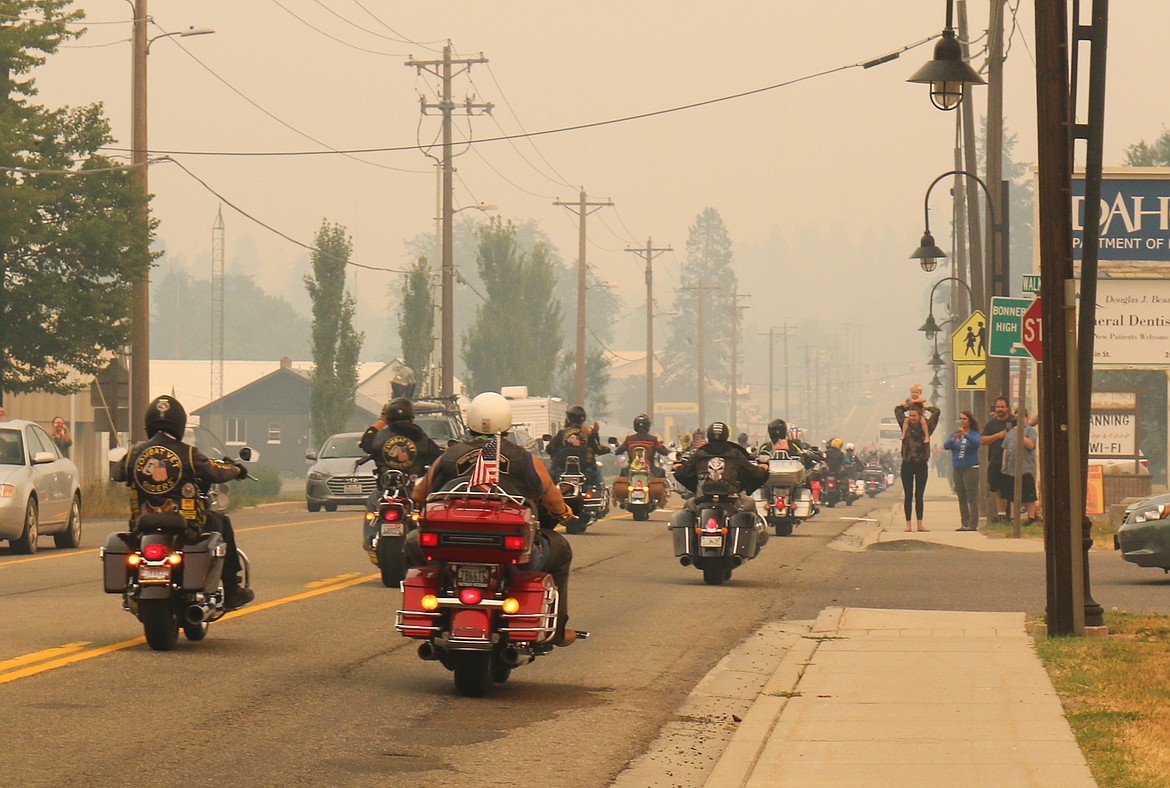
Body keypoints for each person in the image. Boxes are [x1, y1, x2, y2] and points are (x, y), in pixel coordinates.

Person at [409, 392, 579, 646]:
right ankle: (559, 629)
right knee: (562, 549)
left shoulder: (449, 456)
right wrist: (562, 512)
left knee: (413, 542)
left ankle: (435, 608)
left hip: (449, 552)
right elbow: (553, 500)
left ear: (470, 421)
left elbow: (419, 494)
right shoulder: (525, 459)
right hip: (511, 555)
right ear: (507, 423)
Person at [111, 395, 254, 610]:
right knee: (221, 521)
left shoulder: (135, 453)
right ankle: (232, 589)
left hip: (143, 524)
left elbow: (118, 473)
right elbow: (214, 472)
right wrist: (237, 469)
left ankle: (132, 588)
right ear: (179, 423)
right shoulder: (188, 453)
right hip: (185, 524)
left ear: (148, 423)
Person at [672, 421, 769, 513]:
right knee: (750, 502)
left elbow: (682, 473)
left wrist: (677, 468)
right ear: (726, 436)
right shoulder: (735, 454)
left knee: (687, 507)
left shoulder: (699, 454)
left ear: (709, 436)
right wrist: (763, 469)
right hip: (731, 498)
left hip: (702, 498)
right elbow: (754, 473)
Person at [359, 397, 442, 486]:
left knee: (374, 499)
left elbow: (366, 442)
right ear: (411, 416)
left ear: (388, 417)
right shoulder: (419, 435)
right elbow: (437, 458)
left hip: (388, 487)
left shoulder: (379, 436)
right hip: (415, 488)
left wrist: (382, 419)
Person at [894, 399, 940, 532]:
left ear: (920, 415)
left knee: (919, 495)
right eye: (911, 415)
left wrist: (925, 407)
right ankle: (908, 524)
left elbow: (937, 412)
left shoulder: (927, 426)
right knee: (908, 494)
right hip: (907, 464)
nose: (912, 418)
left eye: (915, 416)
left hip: (921, 464)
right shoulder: (905, 424)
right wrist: (908, 405)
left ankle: (920, 523)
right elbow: (897, 410)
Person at [546, 404, 609, 486]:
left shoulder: (561, 433)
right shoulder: (588, 433)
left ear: (568, 418)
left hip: (561, 471)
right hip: (586, 471)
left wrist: (555, 455)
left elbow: (549, 448)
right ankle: (599, 494)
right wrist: (597, 436)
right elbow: (598, 449)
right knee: (598, 480)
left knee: (547, 478)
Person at [944, 411, 982, 531]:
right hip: (958, 468)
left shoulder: (974, 434)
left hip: (970, 468)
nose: (962, 421)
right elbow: (946, 446)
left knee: (972, 496)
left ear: (969, 421)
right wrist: (954, 437)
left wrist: (965, 435)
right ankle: (964, 522)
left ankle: (973, 523)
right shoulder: (954, 434)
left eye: (964, 419)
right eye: (960, 419)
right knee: (961, 496)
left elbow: (976, 444)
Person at [981, 396, 1016, 522]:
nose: (1000, 409)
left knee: (1011, 488)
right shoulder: (991, 423)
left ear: (1007, 407)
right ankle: (1001, 515)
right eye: (998, 407)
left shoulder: (1014, 422)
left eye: (1002, 407)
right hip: (996, 460)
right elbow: (983, 440)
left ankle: (1012, 517)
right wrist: (998, 435)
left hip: (1013, 461)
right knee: (998, 489)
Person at [1001, 412, 1040, 523]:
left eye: (1021, 417)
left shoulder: (1030, 431)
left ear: (1026, 417)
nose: (1019, 419)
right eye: (1016, 417)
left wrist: (1020, 435)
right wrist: (1004, 464)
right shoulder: (1010, 432)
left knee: (1029, 495)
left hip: (1026, 468)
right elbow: (1005, 448)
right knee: (1012, 495)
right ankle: (1013, 518)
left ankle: (1031, 517)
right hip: (1011, 469)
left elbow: (1031, 445)